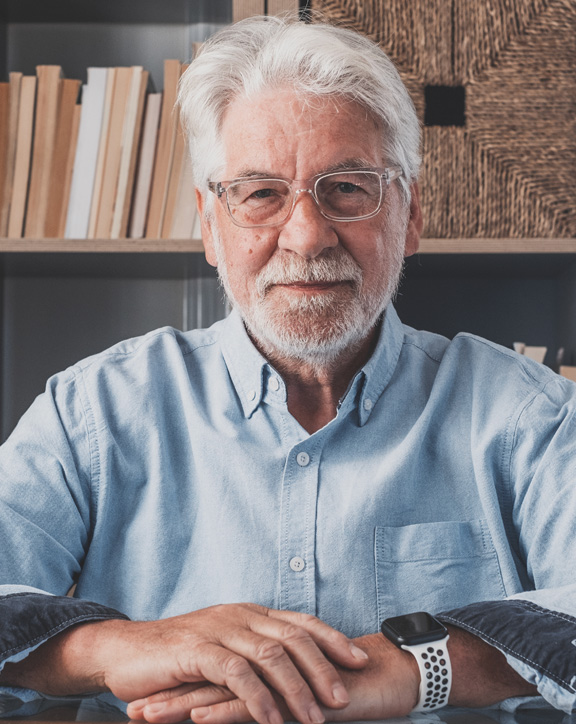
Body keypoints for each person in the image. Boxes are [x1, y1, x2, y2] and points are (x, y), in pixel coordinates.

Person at [1, 13, 576, 724]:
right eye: (261, 193)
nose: (306, 235)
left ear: (410, 213)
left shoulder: (531, 417)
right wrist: (119, 648)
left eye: (347, 187)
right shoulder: (92, 413)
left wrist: (414, 665)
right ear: (211, 225)